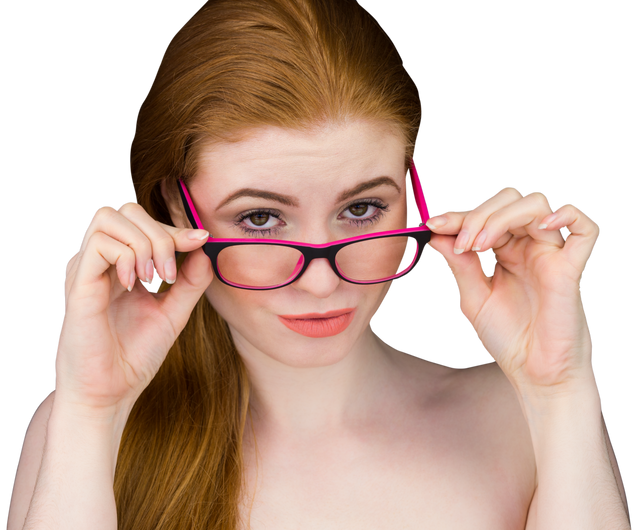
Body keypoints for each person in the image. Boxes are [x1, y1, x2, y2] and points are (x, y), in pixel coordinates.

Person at [7, 0, 632, 529]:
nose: (322, 278)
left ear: (413, 193)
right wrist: (92, 412)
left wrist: (562, 389)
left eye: (361, 208)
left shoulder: (519, 421)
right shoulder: (86, 426)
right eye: (260, 219)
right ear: (176, 204)